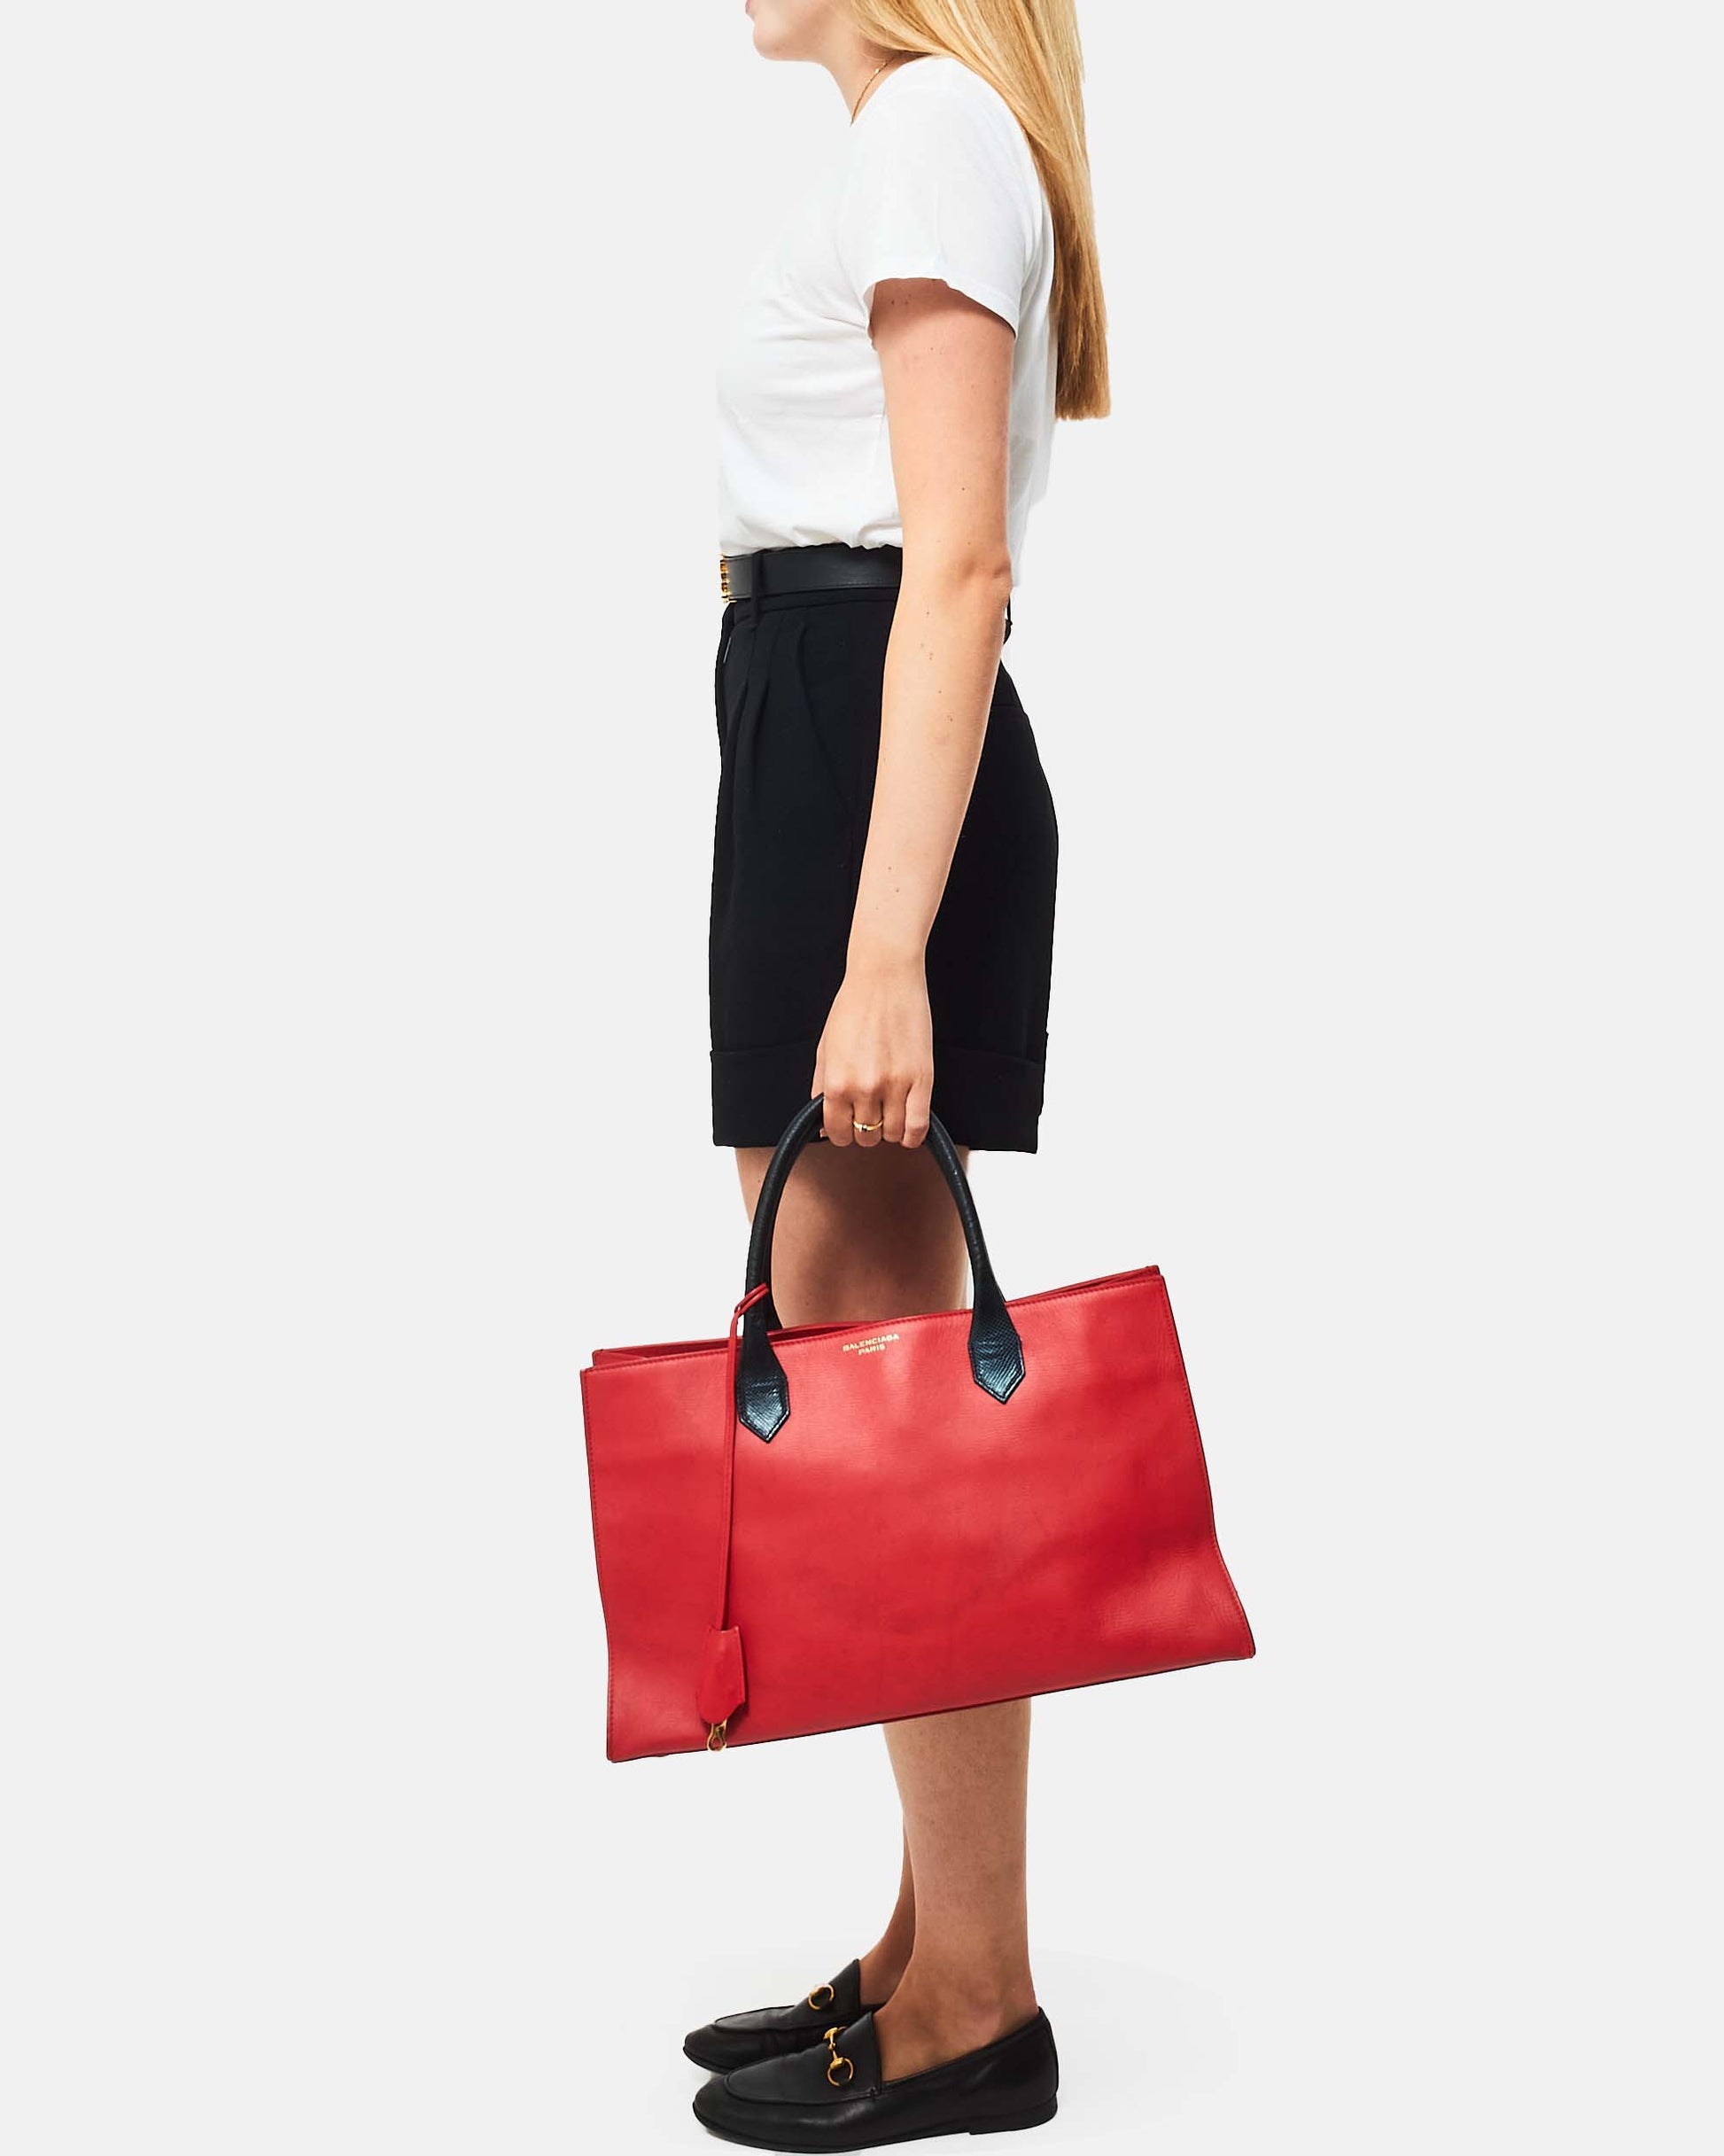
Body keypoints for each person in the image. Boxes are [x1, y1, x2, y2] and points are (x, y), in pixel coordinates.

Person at [690, 2, 1108, 2144]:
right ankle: (929, 1938)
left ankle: (977, 2001)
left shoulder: (938, 123)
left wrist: (880, 955)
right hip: (824, 726)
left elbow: (957, 561)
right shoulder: (909, 139)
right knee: (878, 1391)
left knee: (894, 1411)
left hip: (870, 746)